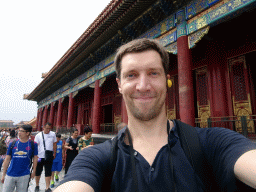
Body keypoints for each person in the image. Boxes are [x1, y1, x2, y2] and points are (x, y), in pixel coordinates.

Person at [55, 38, 256, 192]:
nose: (143, 86)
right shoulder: (96, 158)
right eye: (131, 75)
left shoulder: (213, 143)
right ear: (119, 85)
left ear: (167, 80)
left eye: (153, 73)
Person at [1, 125, 38, 192]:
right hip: (10, 174)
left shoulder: (33, 144)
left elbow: (35, 158)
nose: (19, 133)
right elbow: (7, 159)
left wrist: (34, 170)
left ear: (28, 133)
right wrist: (3, 174)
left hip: (24, 175)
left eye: (21, 131)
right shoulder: (12, 143)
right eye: (19, 131)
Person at [34, 122, 57, 192]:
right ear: (43, 127)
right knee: (38, 171)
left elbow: (54, 144)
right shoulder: (38, 135)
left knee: (48, 171)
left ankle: (47, 187)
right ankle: (37, 185)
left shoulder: (53, 134)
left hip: (49, 155)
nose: (48, 130)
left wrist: (54, 153)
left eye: (50, 128)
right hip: (40, 156)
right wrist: (35, 156)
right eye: (47, 128)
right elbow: (35, 146)